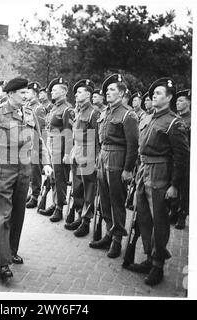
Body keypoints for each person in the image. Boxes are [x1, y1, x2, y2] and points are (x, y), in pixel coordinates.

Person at [0, 77, 52, 280]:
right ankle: (3, 264)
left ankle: (11, 250)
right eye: (22, 93)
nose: (26, 96)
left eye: (27, 92)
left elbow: (39, 140)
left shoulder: (29, 113)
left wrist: (45, 163)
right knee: (3, 217)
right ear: (10, 94)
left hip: (24, 170)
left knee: (18, 214)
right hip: (3, 169)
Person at [130, 78, 189, 286]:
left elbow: (181, 158)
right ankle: (148, 257)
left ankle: (158, 265)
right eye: (153, 93)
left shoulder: (174, 123)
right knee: (144, 218)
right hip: (144, 170)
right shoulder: (147, 118)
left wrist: (174, 185)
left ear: (170, 97)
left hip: (161, 173)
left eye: (159, 93)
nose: (153, 95)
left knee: (159, 222)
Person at [89, 74, 139, 258]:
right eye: (107, 90)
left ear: (122, 93)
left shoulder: (128, 114)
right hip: (103, 156)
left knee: (117, 200)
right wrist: (97, 158)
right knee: (104, 199)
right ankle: (109, 232)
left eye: (112, 90)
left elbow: (133, 145)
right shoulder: (105, 112)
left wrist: (127, 169)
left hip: (118, 158)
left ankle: (117, 239)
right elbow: (99, 139)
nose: (107, 93)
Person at [64, 79, 100, 237]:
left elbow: (98, 139)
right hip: (77, 152)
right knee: (77, 188)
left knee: (89, 189)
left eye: (80, 92)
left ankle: (86, 221)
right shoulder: (78, 111)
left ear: (88, 94)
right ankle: (79, 215)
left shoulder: (94, 112)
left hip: (88, 153)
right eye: (76, 92)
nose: (77, 94)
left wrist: (97, 158)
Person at [38, 77, 75, 222]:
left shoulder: (67, 109)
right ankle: (55, 203)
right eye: (51, 90)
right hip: (51, 145)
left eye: (54, 90)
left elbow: (69, 133)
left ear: (64, 92)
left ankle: (60, 208)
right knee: (52, 177)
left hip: (60, 147)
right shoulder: (54, 108)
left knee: (60, 178)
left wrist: (67, 153)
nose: (51, 92)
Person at [171, 89, 191, 229]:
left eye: (181, 100)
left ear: (189, 102)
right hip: (174, 157)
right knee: (174, 183)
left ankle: (182, 214)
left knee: (185, 187)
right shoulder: (176, 119)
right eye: (177, 101)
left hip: (187, 158)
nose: (178, 103)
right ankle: (173, 211)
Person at [25, 81, 47, 209]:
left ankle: (35, 195)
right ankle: (30, 193)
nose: (25, 94)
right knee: (29, 169)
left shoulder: (38, 109)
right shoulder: (27, 107)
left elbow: (40, 130)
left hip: (35, 143)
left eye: (28, 92)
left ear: (34, 94)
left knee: (35, 170)